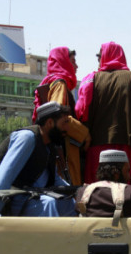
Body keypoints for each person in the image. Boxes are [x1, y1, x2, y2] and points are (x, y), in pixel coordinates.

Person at [0, 102, 77, 217]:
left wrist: (77, 191)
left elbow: (54, 179)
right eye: (64, 123)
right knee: (49, 203)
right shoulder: (27, 137)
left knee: (67, 201)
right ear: (49, 123)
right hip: (6, 196)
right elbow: (7, 172)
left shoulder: (49, 146)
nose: (68, 128)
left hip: (25, 195)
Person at [75, 41, 131, 183]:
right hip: (124, 145)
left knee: (95, 190)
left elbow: (81, 112)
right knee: (123, 190)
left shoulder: (90, 79)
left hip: (95, 146)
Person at [32, 47, 90, 186]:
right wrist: (84, 133)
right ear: (63, 62)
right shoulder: (59, 84)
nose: (76, 66)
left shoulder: (50, 82)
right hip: (63, 149)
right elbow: (57, 115)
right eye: (73, 61)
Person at [76, 150, 131, 221]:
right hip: (124, 238)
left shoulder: (81, 192)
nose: (129, 177)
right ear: (116, 173)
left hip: (89, 238)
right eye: (127, 171)